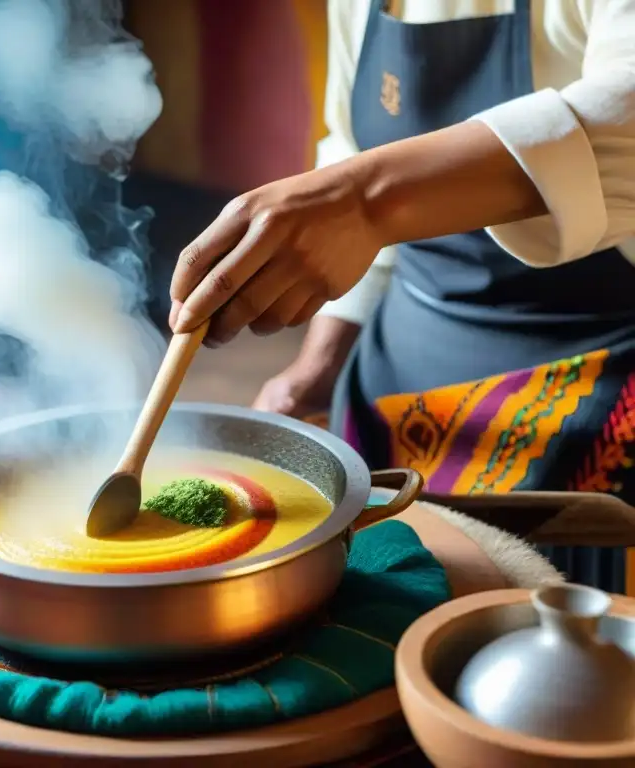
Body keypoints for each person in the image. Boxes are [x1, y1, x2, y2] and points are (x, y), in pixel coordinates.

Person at [167, 0, 635, 593]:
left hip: (592, 386)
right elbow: (350, 144)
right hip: (394, 378)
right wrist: (322, 362)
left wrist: (363, 201)